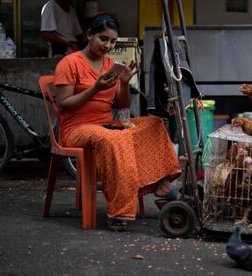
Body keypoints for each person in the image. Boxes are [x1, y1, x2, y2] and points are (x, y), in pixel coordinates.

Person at [53, 13, 182, 231]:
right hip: (76, 128)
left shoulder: (110, 65)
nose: (108, 45)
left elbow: (122, 105)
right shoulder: (69, 63)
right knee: (114, 138)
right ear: (89, 34)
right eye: (103, 39)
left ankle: (160, 184)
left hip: (107, 123)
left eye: (113, 41)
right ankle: (120, 211)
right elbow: (63, 105)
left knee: (153, 125)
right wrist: (96, 88)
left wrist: (123, 84)